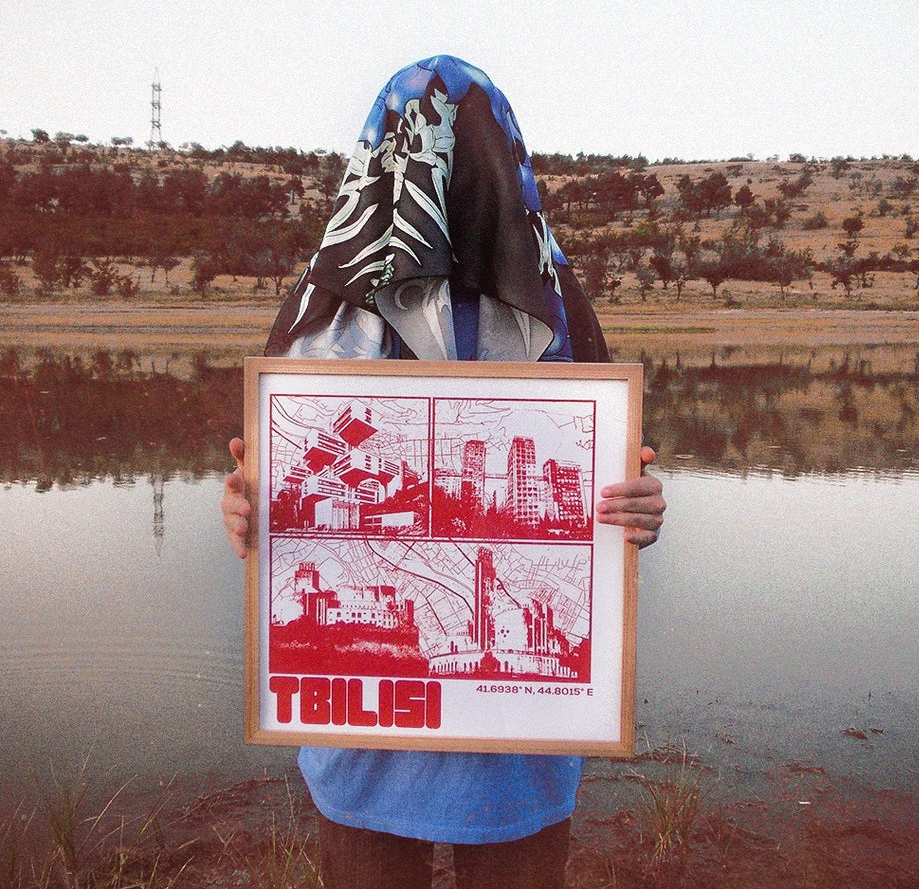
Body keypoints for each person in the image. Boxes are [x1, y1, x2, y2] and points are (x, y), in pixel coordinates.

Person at [220, 55, 665, 889]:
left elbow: (619, 493)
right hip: (365, 743)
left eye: (467, 140)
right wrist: (247, 512)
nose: (442, 169)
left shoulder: (559, 316)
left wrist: (642, 508)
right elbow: (269, 499)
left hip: (522, 742)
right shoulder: (320, 320)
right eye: (416, 140)